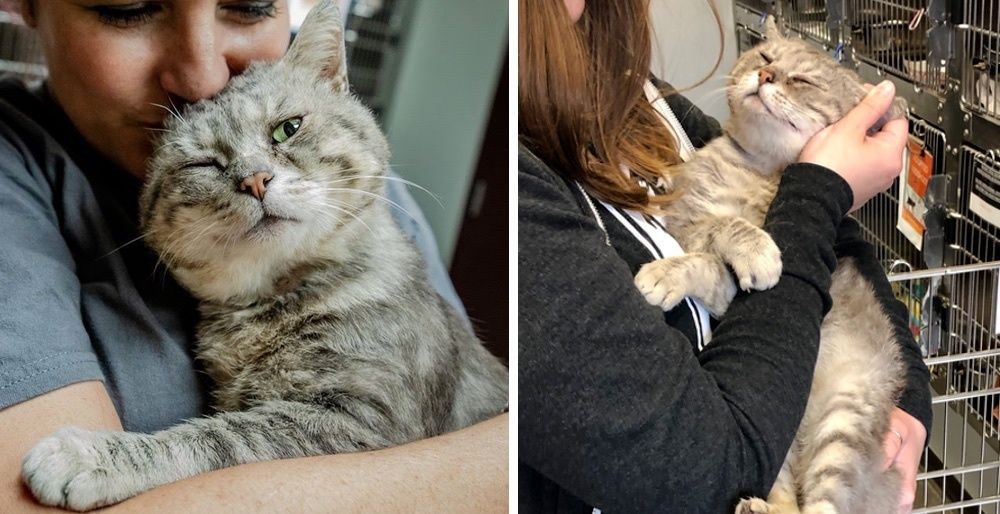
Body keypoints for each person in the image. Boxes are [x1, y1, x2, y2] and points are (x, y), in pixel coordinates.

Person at [0, 1, 506, 512]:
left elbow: (367, 431)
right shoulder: (22, 173)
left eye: (250, 4)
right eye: (128, 7)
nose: (255, 179)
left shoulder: (380, 214)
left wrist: (153, 458)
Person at [518, 1, 930, 513]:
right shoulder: (523, 190)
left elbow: (836, 249)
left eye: (797, 80)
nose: (767, 78)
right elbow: (706, 473)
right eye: (763, 63)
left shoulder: (638, 92)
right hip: (736, 463)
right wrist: (821, 190)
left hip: (817, 406)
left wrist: (909, 397)